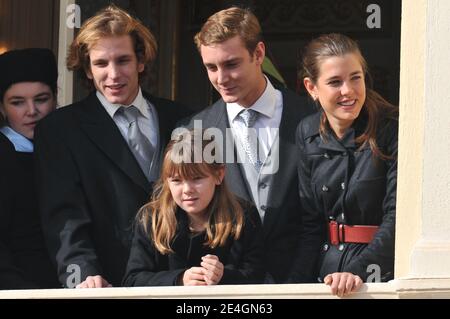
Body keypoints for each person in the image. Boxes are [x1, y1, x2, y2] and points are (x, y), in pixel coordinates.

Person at [34, 5, 192, 288]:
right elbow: (64, 218)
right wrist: (81, 277)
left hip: (181, 282)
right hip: (106, 284)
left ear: (140, 61)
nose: (113, 74)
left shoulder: (183, 119)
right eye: (101, 64)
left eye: (123, 60)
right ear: (87, 68)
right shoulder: (60, 130)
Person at [186, 7, 314, 283]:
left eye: (231, 64)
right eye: (211, 67)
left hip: (305, 284)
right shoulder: (193, 130)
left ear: (258, 54)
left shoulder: (312, 119)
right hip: (227, 289)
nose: (221, 78)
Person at [294, 33, 398, 296]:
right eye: (334, 82)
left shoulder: (392, 128)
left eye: (355, 77)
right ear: (311, 88)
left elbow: (397, 217)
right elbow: (311, 225)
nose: (348, 91)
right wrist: (292, 284)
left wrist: (357, 271)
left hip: (379, 277)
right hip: (325, 276)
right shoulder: (306, 132)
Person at [123, 130, 265, 286]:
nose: (187, 189)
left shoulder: (242, 216)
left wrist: (224, 275)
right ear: (166, 181)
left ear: (219, 175)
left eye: (197, 178)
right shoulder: (152, 219)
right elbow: (133, 280)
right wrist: (179, 279)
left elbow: (256, 275)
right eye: (176, 180)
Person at [0, 48, 59, 289]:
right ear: (2, 108)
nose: (31, 111)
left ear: (55, 99)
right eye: (17, 102)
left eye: (41, 99)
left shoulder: (68, 149)